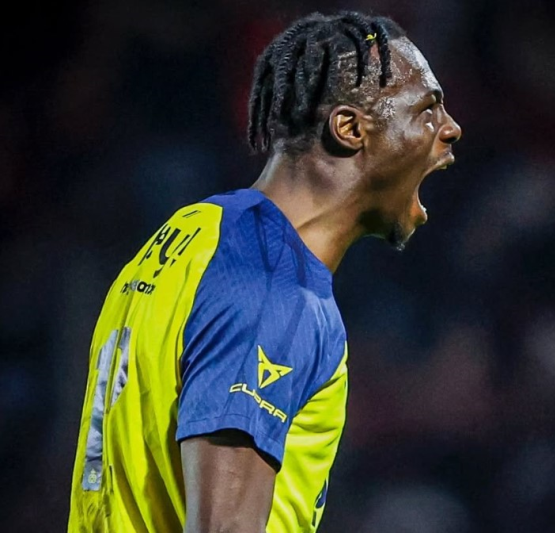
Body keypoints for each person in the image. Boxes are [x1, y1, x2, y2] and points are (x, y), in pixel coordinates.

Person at [67, 10, 461, 533]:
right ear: (349, 128)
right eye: (427, 110)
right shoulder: (277, 292)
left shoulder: (192, 232)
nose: (450, 129)